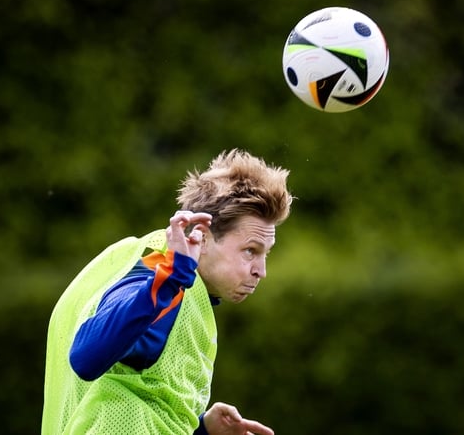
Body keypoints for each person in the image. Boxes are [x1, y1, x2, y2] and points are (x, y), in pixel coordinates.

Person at [42, 149, 293, 435]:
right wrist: (172, 276)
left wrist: (201, 430)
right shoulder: (159, 277)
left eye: (265, 254)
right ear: (201, 235)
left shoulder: (180, 289)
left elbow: (135, 397)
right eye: (250, 251)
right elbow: (85, 357)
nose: (261, 270)